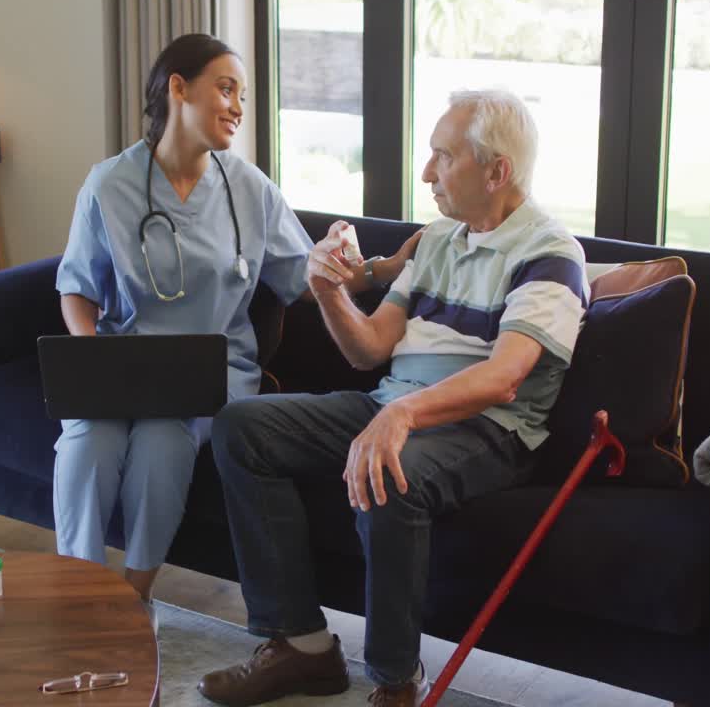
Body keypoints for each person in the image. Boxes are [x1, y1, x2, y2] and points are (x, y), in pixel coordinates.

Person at [198, 89, 589, 707]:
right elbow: (370, 349)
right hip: (392, 401)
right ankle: (301, 648)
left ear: (497, 171)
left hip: (488, 426)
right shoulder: (437, 239)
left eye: (442, 156)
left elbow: (504, 378)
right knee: (242, 427)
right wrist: (327, 289)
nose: (427, 172)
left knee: (390, 471)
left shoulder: (549, 254)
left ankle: (395, 679)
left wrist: (403, 415)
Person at [53, 34, 416, 611]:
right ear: (178, 88)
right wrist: (90, 357)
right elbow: (77, 285)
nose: (238, 108)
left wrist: (378, 268)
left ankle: (129, 600)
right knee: (86, 440)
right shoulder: (108, 184)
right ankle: (78, 594)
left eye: (242, 95)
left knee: (161, 442)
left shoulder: (249, 188)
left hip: (210, 374)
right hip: (124, 363)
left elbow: (309, 276)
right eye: (226, 89)